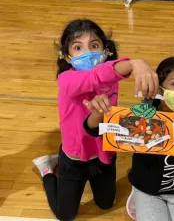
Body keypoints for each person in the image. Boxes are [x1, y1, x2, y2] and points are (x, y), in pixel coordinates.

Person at [32, 19, 158, 221]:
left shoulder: (110, 77)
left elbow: (104, 77)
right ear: (67, 56)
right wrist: (135, 63)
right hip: (74, 158)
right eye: (77, 47)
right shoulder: (66, 79)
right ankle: (47, 170)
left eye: (94, 45)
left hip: (104, 155)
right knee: (65, 216)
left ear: (105, 50)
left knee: (106, 203)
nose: (87, 52)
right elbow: (94, 78)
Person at [83, 56, 174, 221]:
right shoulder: (144, 113)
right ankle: (136, 196)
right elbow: (95, 130)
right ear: (160, 89)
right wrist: (98, 114)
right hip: (147, 189)